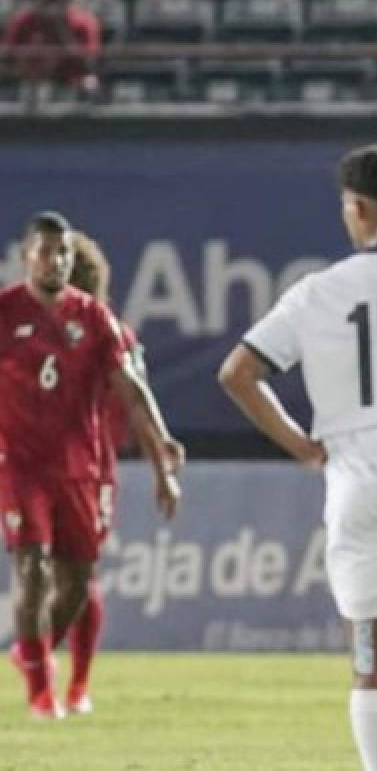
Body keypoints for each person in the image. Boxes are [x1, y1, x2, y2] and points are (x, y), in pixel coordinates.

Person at [218, 145, 377, 771]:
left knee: (370, 657)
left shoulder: (318, 292)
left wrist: (302, 445)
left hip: (355, 488)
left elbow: (239, 372)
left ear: (356, 208)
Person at [1, 212, 183, 719]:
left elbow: (130, 386)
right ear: (26, 256)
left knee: (79, 580)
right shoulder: (5, 311)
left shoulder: (97, 321)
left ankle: (44, 661)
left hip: (82, 468)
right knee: (32, 567)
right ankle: (42, 688)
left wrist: (163, 449)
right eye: (46, 251)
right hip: (19, 465)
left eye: (63, 253)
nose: (56, 260)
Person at [55, 231, 151, 715]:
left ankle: (68, 679)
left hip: (72, 467)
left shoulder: (108, 334)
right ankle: (72, 682)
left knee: (70, 571)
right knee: (72, 572)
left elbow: (130, 401)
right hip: (72, 468)